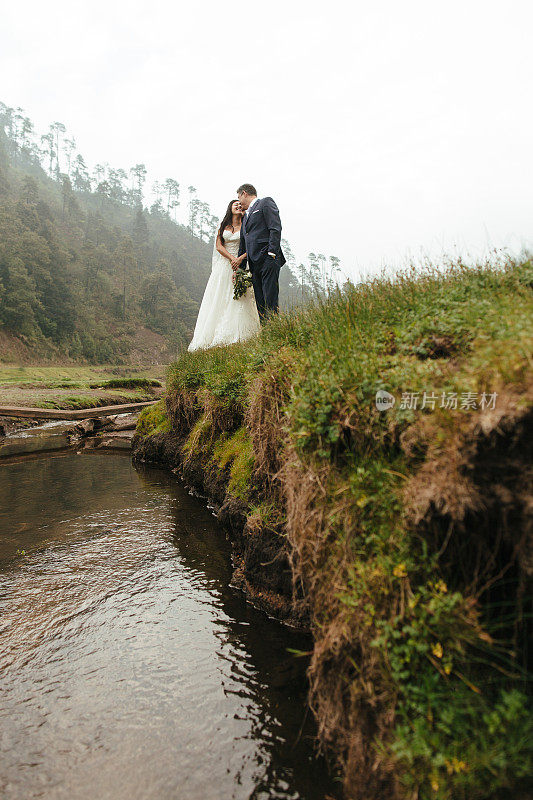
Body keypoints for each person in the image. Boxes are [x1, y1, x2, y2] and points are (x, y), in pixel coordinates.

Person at [188, 199, 260, 351]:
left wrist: (239, 259)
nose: (239, 206)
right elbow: (219, 245)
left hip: (239, 264)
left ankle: (238, 334)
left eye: (241, 205)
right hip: (224, 264)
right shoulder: (223, 226)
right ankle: (211, 335)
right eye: (236, 205)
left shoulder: (246, 226)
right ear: (230, 208)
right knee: (218, 297)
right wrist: (231, 258)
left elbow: (252, 245)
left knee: (238, 298)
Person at [236, 184, 286, 321]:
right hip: (254, 264)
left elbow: (275, 228)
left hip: (268, 259)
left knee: (270, 297)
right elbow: (243, 243)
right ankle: (265, 331)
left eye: (238, 197)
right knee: (260, 301)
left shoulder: (265, 203)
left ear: (244, 193)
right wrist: (240, 270)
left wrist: (272, 253)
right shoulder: (244, 217)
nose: (239, 202)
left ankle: (275, 328)